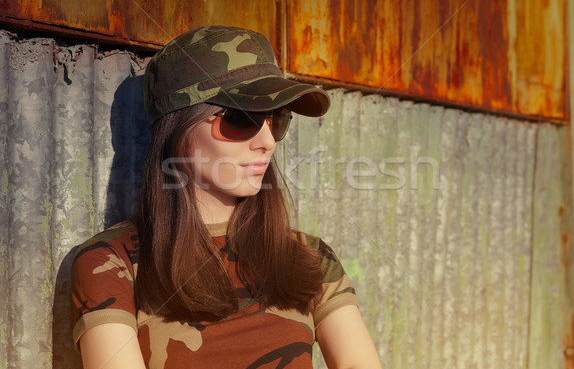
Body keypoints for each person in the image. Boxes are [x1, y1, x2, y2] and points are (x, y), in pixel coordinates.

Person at [70, 25, 381, 369]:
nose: (268, 141)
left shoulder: (307, 258)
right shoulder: (111, 263)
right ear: (179, 128)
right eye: (242, 118)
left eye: (276, 119)